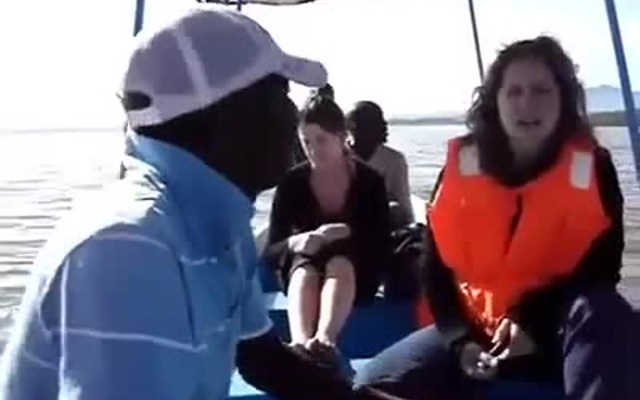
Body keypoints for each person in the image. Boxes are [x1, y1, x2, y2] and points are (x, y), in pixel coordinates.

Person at [0, 8, 406, 400]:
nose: (293, 113)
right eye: (281, 93)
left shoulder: (220, 227)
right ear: (232, 115)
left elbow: (262, 359)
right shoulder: (129, 247)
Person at [354, 35, 640, 400]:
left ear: (564, 98)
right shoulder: (461, 168)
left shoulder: (594, 168)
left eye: (541, 91)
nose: (527, 104)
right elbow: (435, 268)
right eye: (514, 92)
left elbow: (601, 270)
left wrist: (532, 321)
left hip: (555, 330)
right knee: (367, 386)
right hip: (476, 331)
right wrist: (459, 341)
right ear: (495, 101)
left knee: (607, 311)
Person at [265, 95, 393, 364]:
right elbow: (271, 250)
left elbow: (383, 245)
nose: (313, 149)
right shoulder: (291, 182)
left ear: (342, 136)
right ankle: (300, 344)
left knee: (339, 263)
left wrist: (347, 234)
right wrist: (297, 241)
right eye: (306, 142)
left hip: (357, 273)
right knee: (305, 271)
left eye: (321, 140)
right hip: (303, 266)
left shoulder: (370, 182)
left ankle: (324, 341)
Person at [347, 101, 414, 227]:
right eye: (353, 126)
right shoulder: (338, 157)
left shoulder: (395, 160)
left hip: (380, 220)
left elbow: (403, 203)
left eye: (366, 125)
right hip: (346, 220)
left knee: (395, 209)